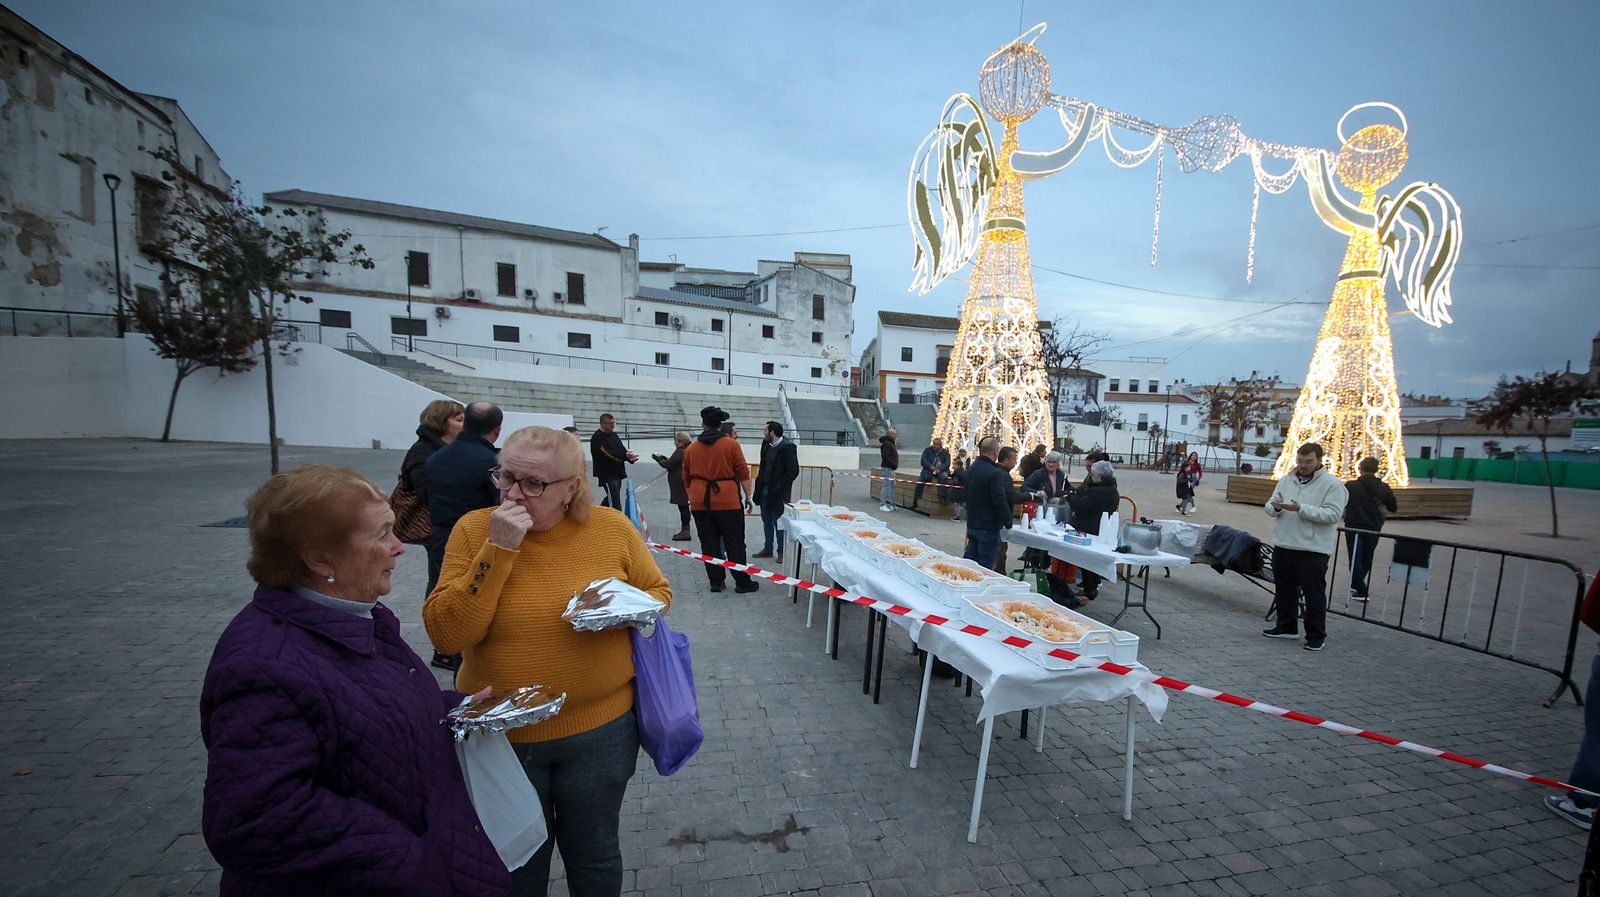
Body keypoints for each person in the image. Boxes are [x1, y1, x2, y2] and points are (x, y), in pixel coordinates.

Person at [201, 465, 508, 896]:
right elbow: (255, 821)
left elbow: (361, 713)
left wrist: (449, 708)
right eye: (382, 534)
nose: (399, 547)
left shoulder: (355, 620)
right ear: (320, 558)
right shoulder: (263, 667)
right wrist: (406, 860)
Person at [424, 426, 672, 897]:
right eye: (506, 477)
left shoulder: (611, 528)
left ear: (571, 488)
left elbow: (659, 594)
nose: (513, 493)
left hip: (600, 731)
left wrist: (619, 610)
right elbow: (448, 633)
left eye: (533, 484)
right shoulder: (476, 529)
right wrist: (498, 551)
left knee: (595, 855)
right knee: (516, 863)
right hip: (503, 738)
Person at [424, 400, 503, 672]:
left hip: (441, 542)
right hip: (480, 547)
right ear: (497, 430)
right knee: (478, 612)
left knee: (452, 611)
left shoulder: (435, 457)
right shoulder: (490, 462)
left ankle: (456, 666)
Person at [1262, 442, 1348, 652]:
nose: (1303, 465)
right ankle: (1286, 626)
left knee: (1313, 594)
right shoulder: (1286, 479)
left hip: (1313, 549)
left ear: (1319, 460)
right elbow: (1270, 504)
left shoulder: (1332, 485)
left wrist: (1301, 509)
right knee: (1284, 589)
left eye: (1308, 462)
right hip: (1285, 543)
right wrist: (1274, 507)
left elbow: (1333, 515)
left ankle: (1316, 635)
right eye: (1300, 461)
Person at [683, 406, 758, 593]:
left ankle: (716, 582)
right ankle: (742, 581)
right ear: (721, 424)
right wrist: (749, 497)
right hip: (728, 500)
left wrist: (693, 498)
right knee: (735, 542)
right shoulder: (731, 445)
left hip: (701, 500)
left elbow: (686, 478)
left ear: (703, 424)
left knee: (709, 543)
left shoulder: (691, 448)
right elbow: (743, 472)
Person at [401, 398, 465, 556]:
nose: (466, 425)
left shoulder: (452, 449)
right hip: (437, 526)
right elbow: (427, 491)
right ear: (441, 422)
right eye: (459, 420)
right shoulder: (423, 451)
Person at [1343, 456, 1397, 601]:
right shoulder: (1384, 487)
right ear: (1376, 470)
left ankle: (1360, 588)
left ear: (1359, 469)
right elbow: (1393, 507)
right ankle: (1357, 584)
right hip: (1374, 526)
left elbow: (1342, 502)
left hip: (1353, 525)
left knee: (1355, 557)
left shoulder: (1350, 486)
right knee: (1367, 556)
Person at [1067, 459, 1121, 600]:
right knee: (1092, 560)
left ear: (1100, 477)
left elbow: (1080, 506)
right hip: (1101, 529)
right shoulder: (1113, 490)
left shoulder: (1096, 491)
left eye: (1094, 475)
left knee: (1086, 560)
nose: (1091, 476)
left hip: (1089, 528)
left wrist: (1071, 496)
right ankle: (1092, 586)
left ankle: (1090, 589)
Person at [961, 437, 1013, 570]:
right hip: (988, 526)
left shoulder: (971, 469)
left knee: (969, 561)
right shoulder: (994, 473)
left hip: (972, 522)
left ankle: (962, 582)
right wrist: (1008, 522)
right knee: (984, 566)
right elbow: (999, 500)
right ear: (996, 452)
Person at [753, 421, 800, 563]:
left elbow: (793, 471)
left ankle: (781, 551)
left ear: (772, 432)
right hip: (764, 488)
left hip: (778, 492)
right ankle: (768, 548)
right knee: (766, 519)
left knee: (778, 521)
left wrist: (780, 486)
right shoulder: (766, 444)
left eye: (765, 430)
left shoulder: (788, 448)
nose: (764, 432)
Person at [652, 431, 693, 542]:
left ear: (681, 441)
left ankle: (685, 531)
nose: (674, 443)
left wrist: (659, 459)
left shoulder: (680, 452)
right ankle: (685, 530)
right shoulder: (688, 449)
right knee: (684, 506)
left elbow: (669, 464)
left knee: (683, 506)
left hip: (680, 483)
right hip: (683, 482)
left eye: (676, 440)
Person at [589, 413, 637, 509]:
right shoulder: (597, 437)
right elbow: (607, 454)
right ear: (603, 423)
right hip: (607, 474)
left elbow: (621, 449)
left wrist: (628, 457)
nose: (613, 425)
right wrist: (624, 456)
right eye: (610, 423)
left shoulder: (614, 435)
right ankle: (618, 521)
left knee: (611, 497)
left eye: (614, 423)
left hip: (617, 472)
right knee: (615, 501)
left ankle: (599, 514)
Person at [912, 437, 952, 510]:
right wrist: (930, 466)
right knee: (920, 480)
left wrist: (940, 469)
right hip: (929, 469)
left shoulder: (945, 453)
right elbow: (923, 461)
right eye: (933, 444)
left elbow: (947, 463)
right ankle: (915, 500)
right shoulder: (927, 450)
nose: (934, 446)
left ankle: (942, 496)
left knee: (944, 477)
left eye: (936, 444)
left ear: (940, 445)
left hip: (940, 470)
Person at [877, 428, 900, 512]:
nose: (896, 435)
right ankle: (882, 504)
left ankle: (892, 504)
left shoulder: (891, 443)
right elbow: (885, 457)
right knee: (886, 486)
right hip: (887, 468)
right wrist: (893, 464)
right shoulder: (886, 444)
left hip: (891, 468)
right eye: (894, 433)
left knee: (892, 486)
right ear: (890, 434)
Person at [1176, 451, 1203, 515]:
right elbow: (1183, 469)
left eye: (1195, 456)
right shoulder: (1187, 463)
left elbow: (1200, 474)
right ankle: (1180, 506)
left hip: (1193, 479)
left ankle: (1189, 506)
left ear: (1196, 457)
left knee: (1189, 493)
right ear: (1190, 456)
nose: (1193, 456)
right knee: (1186, 494)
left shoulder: (1197, 465)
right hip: (1187, 478)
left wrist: (1198, 480)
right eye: (1192, 455)